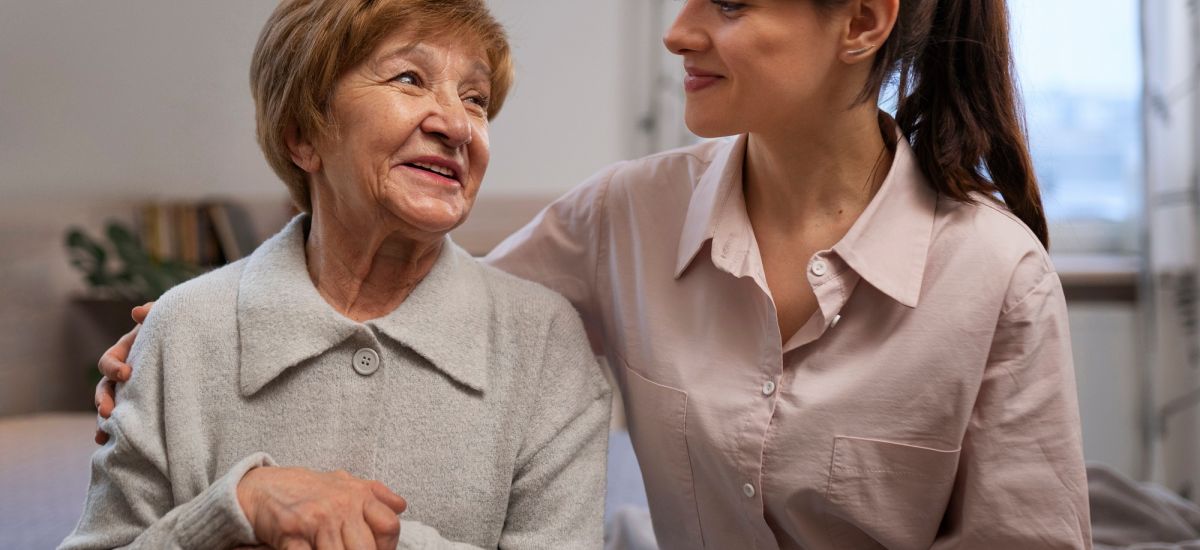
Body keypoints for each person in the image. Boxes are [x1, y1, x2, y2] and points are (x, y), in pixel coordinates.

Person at [96, 0, 1092, 548]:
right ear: (302, 130)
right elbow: (424, 305)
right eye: (409, 78)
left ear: (863, 21)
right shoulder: (621, 215)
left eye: (730, 2)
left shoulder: (998, 275)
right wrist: (185, 342)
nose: (677, 28)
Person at [64, 1, 612, 549]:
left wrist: (364, 535)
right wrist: (237, 507)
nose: (457, 125)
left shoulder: (545, 342)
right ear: (302, 135)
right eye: (409, 79)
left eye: (476, 99)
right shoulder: (180, 330)